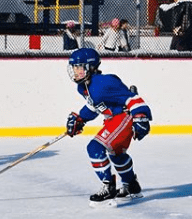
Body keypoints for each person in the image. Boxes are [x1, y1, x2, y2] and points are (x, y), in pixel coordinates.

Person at [65, 47, 152, 206]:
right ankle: (131, 186)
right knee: (116, 155)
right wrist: (80, 119)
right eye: (74, 67)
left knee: (94, 147)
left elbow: (132, 98)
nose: (75, 71)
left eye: (79, 67)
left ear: (90, 67)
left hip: (123, 118)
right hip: (112, 120)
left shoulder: (104, 82)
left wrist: (141, 116)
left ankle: (108, 187)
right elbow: (95, 107)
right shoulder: (83, 87)